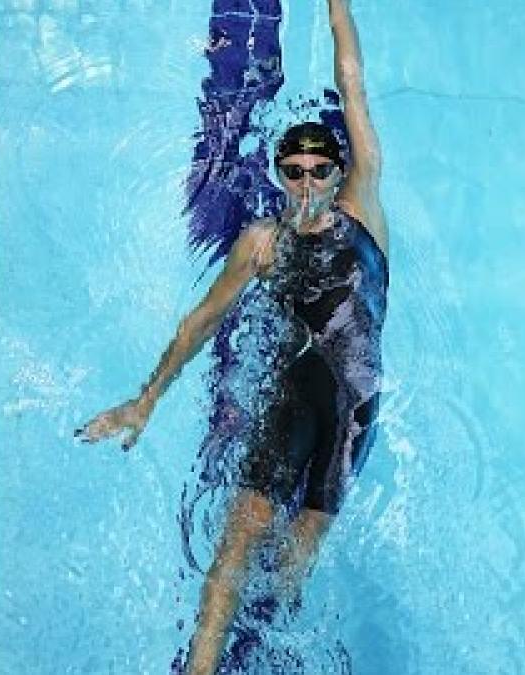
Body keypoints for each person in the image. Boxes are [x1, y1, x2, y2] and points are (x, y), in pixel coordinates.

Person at [75, 2, 387, 672]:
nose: (306, 183)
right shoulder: (260, 243)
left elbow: (352, 79)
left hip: (352, 416)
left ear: (338, 171)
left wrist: (338, 9)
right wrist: (145, 398)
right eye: (293, 171)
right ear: (278, 174)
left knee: (289, 571)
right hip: (286, 401)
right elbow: (200, 322)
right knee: (233, 550)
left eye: (318, 170)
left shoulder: (364, 207)